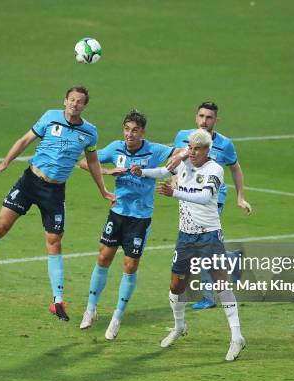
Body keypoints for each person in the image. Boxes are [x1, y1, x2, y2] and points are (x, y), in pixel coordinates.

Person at [0, 86, 115, 322]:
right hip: (30, 181)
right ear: (65, 101)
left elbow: (92, 162)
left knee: (54, 242)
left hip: (54, 192)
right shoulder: (50, 117)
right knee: (1, 226)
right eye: (71, 100)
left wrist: (102, 189)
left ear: (85, 106)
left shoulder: (89, 132)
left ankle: (57, 300)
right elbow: (25, 140)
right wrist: (5, 162)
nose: (74, 104)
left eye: (80, 102)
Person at [132, 129, 246, 361]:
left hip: (209, 236)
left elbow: (205, 197)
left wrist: (175, 193)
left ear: (207, 150)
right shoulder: (184, 159)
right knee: (176, 285)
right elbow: (165, 170)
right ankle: (179, 327)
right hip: (185, 236)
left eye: (196, 149)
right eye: (190, 147)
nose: (192, 152)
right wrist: (142, 171)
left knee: (221, 285)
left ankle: (237, 337)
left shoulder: (215, 170)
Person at [77, 110, 174, 340]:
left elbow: (178, 152)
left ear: (143, 132)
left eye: (135, 130)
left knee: (130, 267)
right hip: (117, 213)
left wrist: (176, 168)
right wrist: (108, 170)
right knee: (103, 258)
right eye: (127, 129)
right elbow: (84, 162)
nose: (130, 134)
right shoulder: (115, 148)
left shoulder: (153, 150)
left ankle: (117, 317)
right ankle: (90, 309)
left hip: (139, 219)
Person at [167, 101, 252, 310]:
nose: (205, 121)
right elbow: (174, 160)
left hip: (212, 199)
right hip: (189, 195)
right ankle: (232, 259)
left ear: (216, 120)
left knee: (201, 246)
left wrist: (240, 197)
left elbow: (235, 168)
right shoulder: (183, 136)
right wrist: (174, 179)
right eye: (202, 116)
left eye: (209, 117)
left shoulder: (225, 144)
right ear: (196, 117)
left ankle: (208, 296)